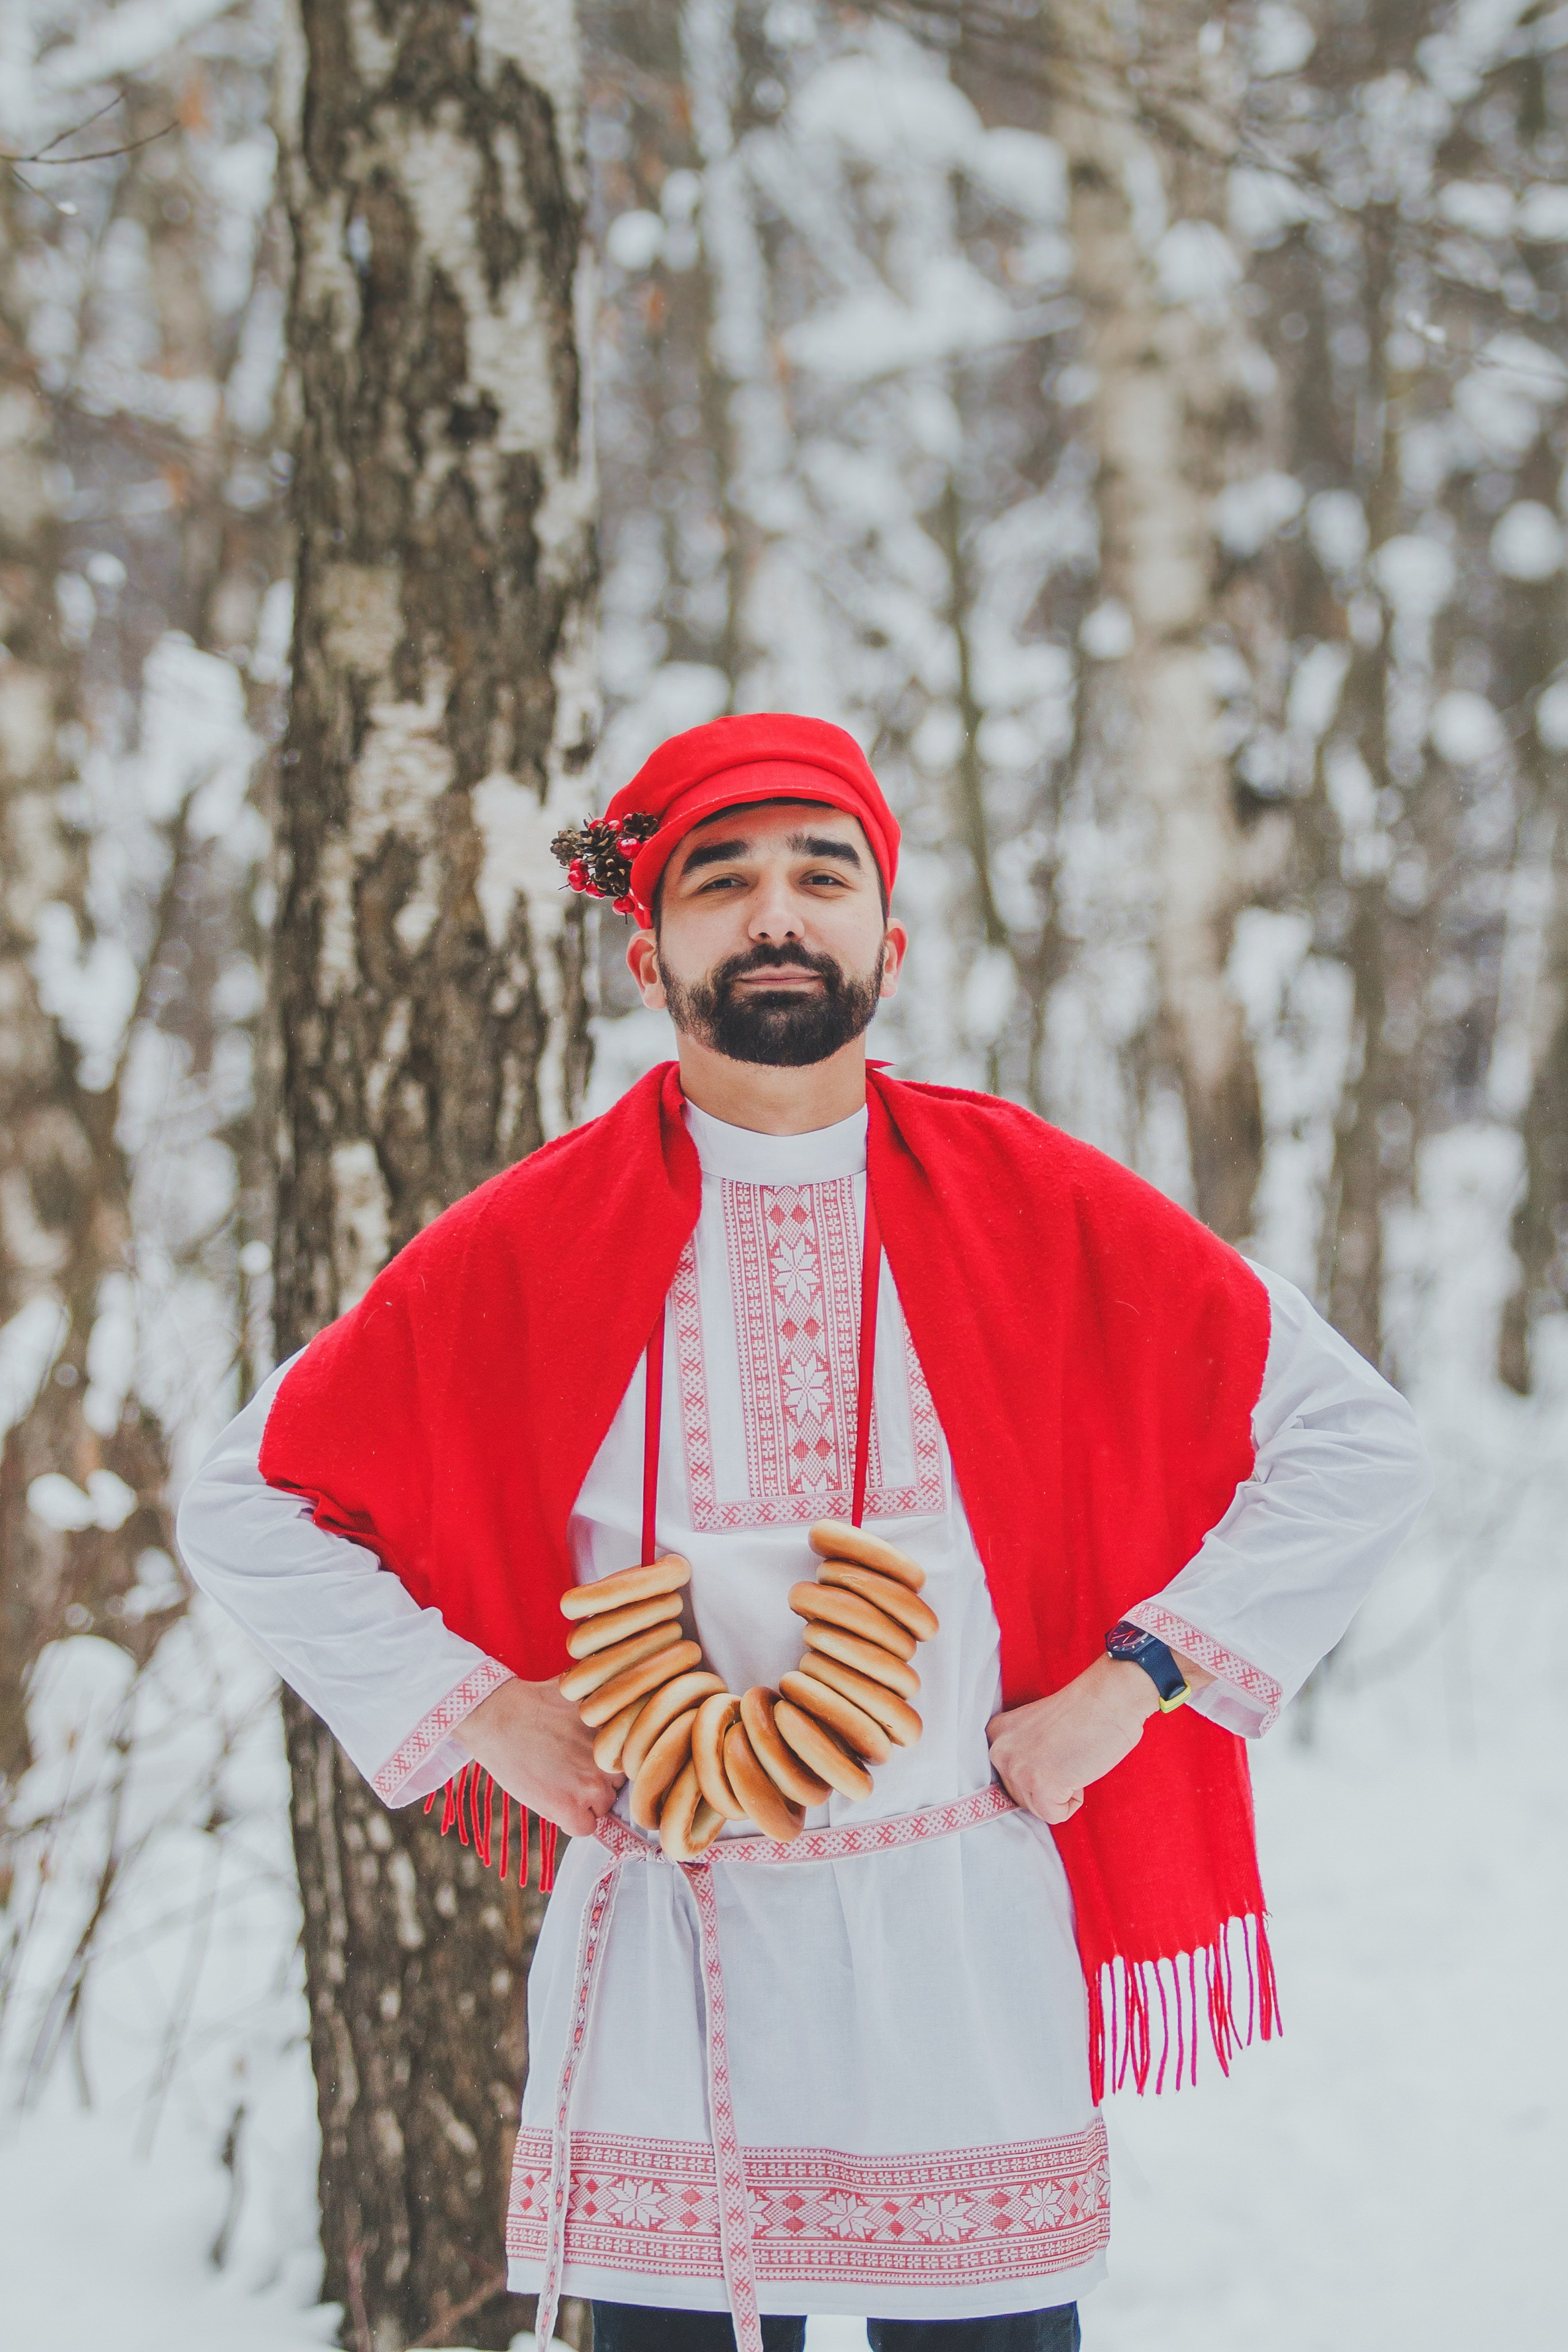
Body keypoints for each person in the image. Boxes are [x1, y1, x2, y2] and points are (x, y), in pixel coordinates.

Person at [178, 713, 1430, 2352]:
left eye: (821, 877)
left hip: (957, 1954)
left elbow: (1356, 1444)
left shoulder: (1036, 1200)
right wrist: (480, 1709)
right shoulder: (532, 1239)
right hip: (668, 1956)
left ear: (888, 944)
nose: (777, 913)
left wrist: (1129, 1689)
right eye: (723, 881)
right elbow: (246, 1500)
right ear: (649, 956)